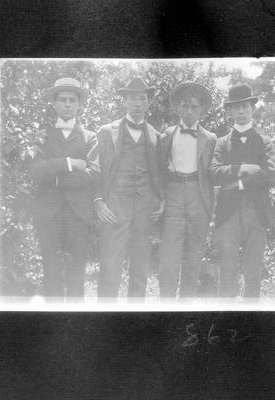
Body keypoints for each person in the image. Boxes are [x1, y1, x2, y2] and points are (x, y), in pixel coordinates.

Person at [91, 77, 164, 302]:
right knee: (110, 265)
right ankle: (104, 319)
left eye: (142, 98)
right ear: (125, 101)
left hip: (145, 207)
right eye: (132, 98)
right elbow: (94, 167)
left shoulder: (155, 135)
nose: (137, 103)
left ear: (148, 102)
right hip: (115, 206)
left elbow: (159, 172)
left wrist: (161, 200)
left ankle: (136, 318)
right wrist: (98, 200)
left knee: (140, 267)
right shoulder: (106, 131)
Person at [28, 77, 98, 301]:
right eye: (63, 100)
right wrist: (69, 163)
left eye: (72, 100)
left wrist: (56, 180)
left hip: (79, 215)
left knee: (77, 274)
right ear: (54, 103)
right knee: (51, 273)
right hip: (49, 214)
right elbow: (35, 170)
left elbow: (92, 173)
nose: (67, 104)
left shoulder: (90, 137)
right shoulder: (43, 136)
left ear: (79, 104)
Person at [210, 84, 275, 301]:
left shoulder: (264, 142)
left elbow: (271, 176)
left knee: (253, 273)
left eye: (245, 106)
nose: (241, 111)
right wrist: (248, 169)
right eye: (236, 107)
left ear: (252, 108)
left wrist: (238, 184)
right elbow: (214, 173)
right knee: (227, 273)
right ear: (229, 111)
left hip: (257, 212)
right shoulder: (221, 143)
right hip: (227, 214)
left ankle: (252, 322)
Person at [158, 82, 217, 302]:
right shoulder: (167, 134)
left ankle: (186, 304)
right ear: (178, 109)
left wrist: (211, 209)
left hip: (198, 197)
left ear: (201, 109)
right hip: (173, 194)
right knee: (169, 256)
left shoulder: (210, 139)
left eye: (194, 106)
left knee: (194, 256)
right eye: (185, 106)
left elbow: (213, 177)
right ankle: (165, 305)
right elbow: (158, 170)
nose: (190, 111)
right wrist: (161, 198)